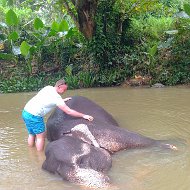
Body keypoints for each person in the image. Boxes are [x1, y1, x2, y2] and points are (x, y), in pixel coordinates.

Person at [22, 79, 94, 151]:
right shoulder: (56, 98)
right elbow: (68, 111)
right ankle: (39, 156)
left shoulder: (48, 88)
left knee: (31, 134)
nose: (65, 91)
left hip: (26, 112)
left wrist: (61, 101)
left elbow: (46, 99)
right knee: (40, 137)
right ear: (59, 87)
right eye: (64, 89)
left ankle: (31, 151)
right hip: (34, 116)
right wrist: (84, 115)